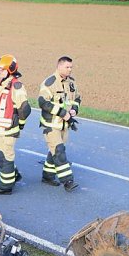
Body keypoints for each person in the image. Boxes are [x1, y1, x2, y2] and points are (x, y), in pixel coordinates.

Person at [0, 54, 30, 195]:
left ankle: (5, 187)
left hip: (8, 130)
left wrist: (19, 125)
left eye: (2, 70)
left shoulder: (16, 86)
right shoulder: (0, 85)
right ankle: (13, 174)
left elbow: (24, 109)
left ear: (10, 69)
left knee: (5, 157)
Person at [38, 56, 81, 192]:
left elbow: (77, 98)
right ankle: (68, 181)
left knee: (54, 151)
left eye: (71, 67)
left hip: (64, 125)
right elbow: (43, 102)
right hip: (51, 125)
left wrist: (74, 109)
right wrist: (63, 113)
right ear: (59, 66)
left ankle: (48, 176)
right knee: (59, 152)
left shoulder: (71, 83)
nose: (70, 70)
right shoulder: (49, 83)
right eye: (67, 67)